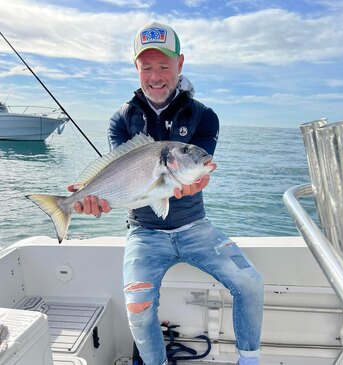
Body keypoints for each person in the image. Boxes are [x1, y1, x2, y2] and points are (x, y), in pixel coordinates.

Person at [69, 21, 264, 365]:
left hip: (195, 227)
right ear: (136, 68)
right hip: (144, 232)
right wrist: (97, 200)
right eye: (147, 67)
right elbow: (122, 183)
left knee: (250, 283)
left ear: (180, 64)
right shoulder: (121, 118)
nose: (155, 76)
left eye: (164, 65)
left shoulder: (204, 116)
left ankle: (249, 360)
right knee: (138, 306)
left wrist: (197, 179)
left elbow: (200, 168)